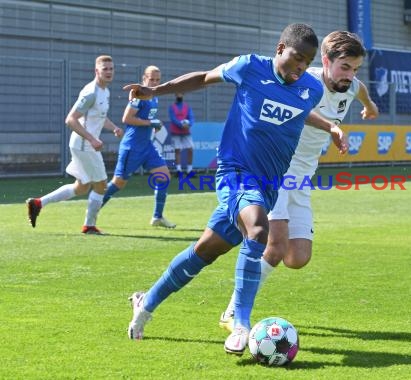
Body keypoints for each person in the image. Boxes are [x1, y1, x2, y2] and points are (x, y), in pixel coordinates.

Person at [124, 23, 347, 355]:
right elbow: (204, 77)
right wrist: (155, 92)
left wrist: (330, 126)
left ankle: (146, 300)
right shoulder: (250, 67)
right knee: (258, 230)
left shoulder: (310, 89)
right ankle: (240, 322)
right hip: (235, 173)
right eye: (297, 58)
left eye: (307, 61)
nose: (301, 67)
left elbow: (302, 113)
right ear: (280, 49)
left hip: (268, 184)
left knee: (203, 253)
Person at [219, 31, 379, 330]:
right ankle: (234, 312)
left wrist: (369, 107)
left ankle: (244, 246)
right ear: (326, 61)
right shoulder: (305, 80)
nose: (350, 75)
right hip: (277, 172)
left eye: (355, 69)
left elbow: (360, 92)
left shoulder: (351, 85)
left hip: (302, 182)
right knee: (276, 246)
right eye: (344, 67)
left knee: (297, 257)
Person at [26, 55, 123, 234]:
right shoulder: (91, 92)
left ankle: (38, 203)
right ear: (97, 71)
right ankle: (89, 225)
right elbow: (71, 119)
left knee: (82, 187)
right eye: (105, 69)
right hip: (84, 145)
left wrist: (114, 127)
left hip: (84, 145)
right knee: (101, 185)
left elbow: (100, 117)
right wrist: (92, 139)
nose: (109, 72)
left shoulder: (105, 91)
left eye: (111, 69)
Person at [101, 65, 176, 229]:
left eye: (157, 79)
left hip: (147, 146)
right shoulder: (139, 95)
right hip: (132, 146)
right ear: (144, 78)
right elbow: (126, 118)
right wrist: (150, 123)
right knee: (118, 183)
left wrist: (154, 124)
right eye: (151, 79)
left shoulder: (154, 96)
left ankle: (157, 217)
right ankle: (92, 211)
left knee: (164, 176)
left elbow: (147, 119)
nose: (154, 82)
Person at [168, 93, 195, 174]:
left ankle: (189, 170)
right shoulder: (171, 107)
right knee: (177, 150)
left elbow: (191, 117)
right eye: (177, 94)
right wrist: (181, 125)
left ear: (183, 95)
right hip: (175, 131)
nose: (179, 96)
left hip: (186, 131)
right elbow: (173, 118)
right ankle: (178, 170)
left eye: (181, 94)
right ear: (175, 96)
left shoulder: (187, 107)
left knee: (190, 149)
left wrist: (189, 124)